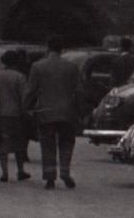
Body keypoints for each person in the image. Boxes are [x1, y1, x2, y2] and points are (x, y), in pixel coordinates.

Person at [24, 35, 83, 189]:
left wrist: (27, 107)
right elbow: (79, 91)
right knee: (67, 142)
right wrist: (80, 111)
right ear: (61, 49)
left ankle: (50, 177)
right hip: (67, 112)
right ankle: (65, 171)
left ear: (47, 47)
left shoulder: (37, 66)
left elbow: (30, 90)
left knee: (47, 144)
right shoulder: (72, 67)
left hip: (45, 112)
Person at [0, 49, 32, 182]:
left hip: (0, 114)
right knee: (19, 143)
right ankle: (20, 170)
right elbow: (25, 97)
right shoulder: (20, 76)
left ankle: (4, 173)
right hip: (16, 114)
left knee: (2, 144)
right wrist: (26, 112)